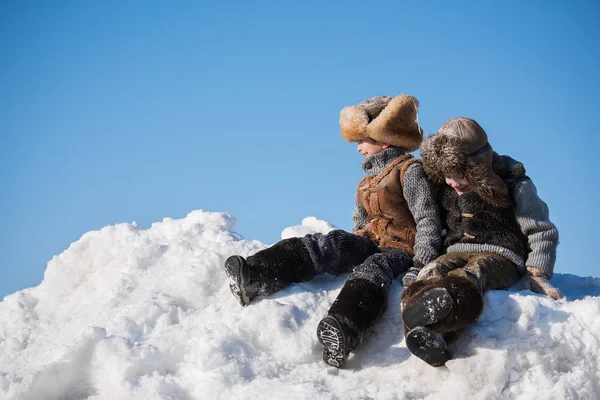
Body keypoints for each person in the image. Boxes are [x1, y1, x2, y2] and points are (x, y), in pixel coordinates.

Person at [224, 94, 442, 368]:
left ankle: (344, 329)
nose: (359, 148)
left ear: (385, 139)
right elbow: (359, 221)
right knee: (331, 243)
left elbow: (427, 219)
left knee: (374, 268)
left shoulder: (409, 172)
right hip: (371, 241)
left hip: (401, 250)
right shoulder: (366, 181)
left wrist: (420, 263)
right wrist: (348, 248)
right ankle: (257, 275)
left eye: (364, 141)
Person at [400, 117, 562, 367]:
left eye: (458, 176)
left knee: (475, 273)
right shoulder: (446, 187)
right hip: (455, 250)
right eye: (446, 176)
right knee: (431, 272)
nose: (452, 183)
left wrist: (538, 272)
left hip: (502, 255)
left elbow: (541, 230)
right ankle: (420, 330)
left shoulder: (514, 184)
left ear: (477, 167)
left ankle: (442, 325)